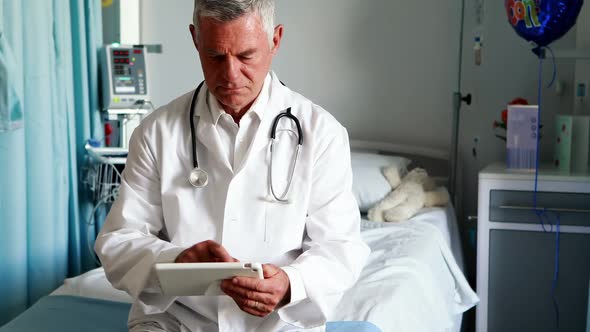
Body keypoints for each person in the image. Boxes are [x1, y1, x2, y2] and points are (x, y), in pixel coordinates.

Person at [95, 0, 370, 331]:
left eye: (245, 56)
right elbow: (119, 240)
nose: (230, 75)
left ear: (275, 40)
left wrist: (290, 283)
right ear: (196, 40)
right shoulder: (157, 133)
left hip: (276, 325)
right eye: (215, 56)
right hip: (176, 321)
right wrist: (176, 261)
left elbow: (341, 248)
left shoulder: (321, 134)